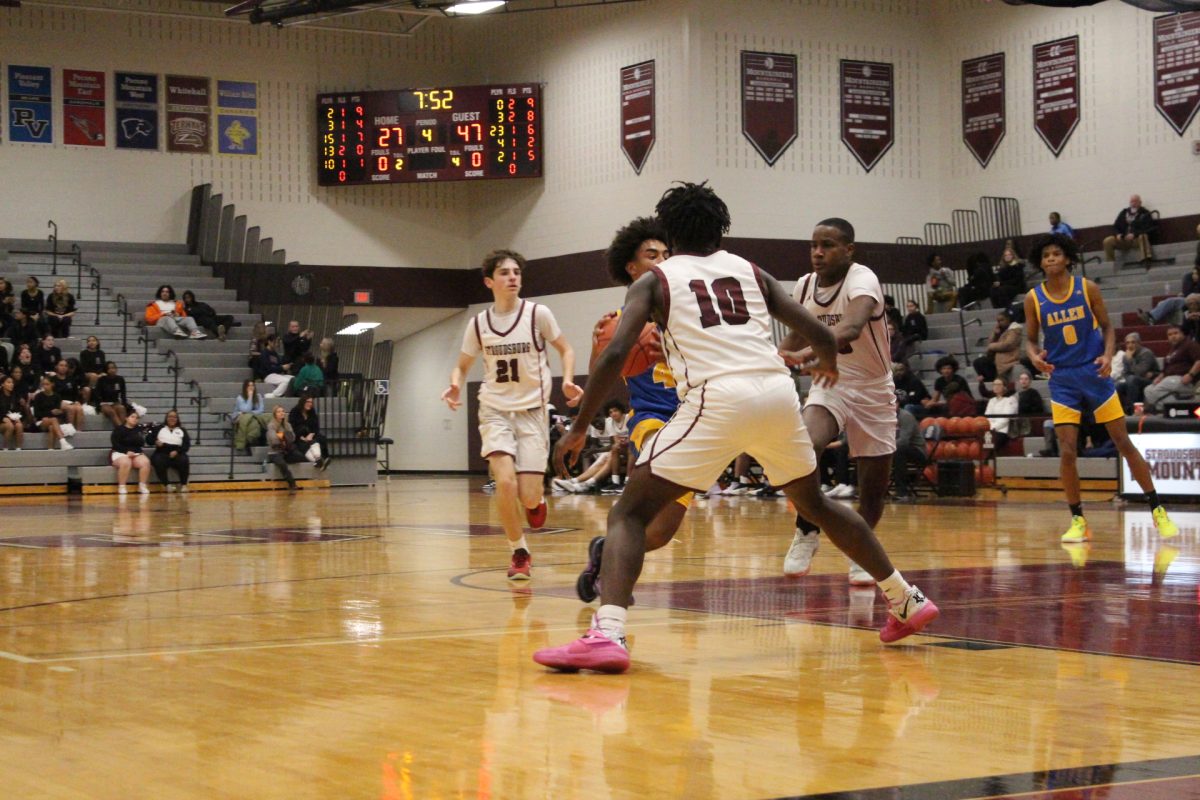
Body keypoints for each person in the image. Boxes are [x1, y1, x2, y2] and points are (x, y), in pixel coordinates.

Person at [534, 183, 937, 673]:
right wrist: (827, 361)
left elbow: (617, 352)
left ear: (669, 230)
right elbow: (817, 331)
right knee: (816, 504)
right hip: (775, 393)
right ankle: (906, 598)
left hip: (716, 398)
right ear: (719, 228)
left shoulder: (656, 280)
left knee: (628, 515)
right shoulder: (750, 270)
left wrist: (578, 428)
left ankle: (608, 633)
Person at [1024, 232, 1178, 543]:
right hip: (1063, 378)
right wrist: (1033, 358)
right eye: (1045, 256)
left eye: (1056, 253)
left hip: (1094, 373)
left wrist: (1108, 355)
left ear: (1067, 258)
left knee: (1123, 441)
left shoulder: (1087, 288)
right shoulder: (1033, 298)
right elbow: (1029, 340)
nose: (1050, 259)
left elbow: (1108, 327)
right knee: (1067, 450)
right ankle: (1078, 519)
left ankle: (1157, 509)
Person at [441, 249, 581, 581]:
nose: (513, 277)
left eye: (516, 272)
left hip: (532, 412)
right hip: (494, 410)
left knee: (528, 493)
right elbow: (462, 366)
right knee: (504, 483)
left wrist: (570, 379)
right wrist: (455, 385)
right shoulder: (478, 324)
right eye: (504, 273)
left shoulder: (538, 314)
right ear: (489, 281)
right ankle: (519, 551)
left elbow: (566, 348)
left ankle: (536, 503)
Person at [780, 217, 900, 586]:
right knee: (807, 446)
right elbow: (794, 338)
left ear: (849, 250)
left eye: (828, 245)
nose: (818, 252)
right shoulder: (804, 287)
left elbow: (849, 328)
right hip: (830, 384)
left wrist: (809, 351)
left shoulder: (863, 280)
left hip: (874, 389)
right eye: (814, 245)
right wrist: (777, 355)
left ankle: (860, 551)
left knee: (873, 488)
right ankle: (806, 529)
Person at [1143, 324, 1200, 411]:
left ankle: (1179, 409)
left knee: (1157, 390)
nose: (1173, 336)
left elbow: (1199, 360)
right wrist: (1159, 377)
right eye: (1170, 335)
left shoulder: (1190, 344)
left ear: (1182, 334)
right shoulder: (1172, 350)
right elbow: (1166, 369)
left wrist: (1190, 375)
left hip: (1183, 379)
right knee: (1148, 390)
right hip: (1169, 380)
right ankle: (1168, 410)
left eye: (1175, 333)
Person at [972, 310, 1027, 392]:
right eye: (998, 321)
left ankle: (995, 383)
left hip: (1009, 360)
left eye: (1002, 320)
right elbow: (990, 344)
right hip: (996, 360)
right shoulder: (1001, 331)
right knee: (978, 362)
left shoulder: (1014, 330)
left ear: (1008, 319)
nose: (999, 323)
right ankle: (991, 383)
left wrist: (991, 346)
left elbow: (1008, 345)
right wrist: (996, 334)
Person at [1102, 194, 1156, 265]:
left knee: (1143, 236)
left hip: (1136, 240)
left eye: (1135, 201)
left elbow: (1149, 228)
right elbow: (1115, 226)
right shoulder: (1124, 212)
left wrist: (1134, 234)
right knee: (1107, 241)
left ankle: (1146, 258)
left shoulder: (1145, 213)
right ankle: (1110, 263)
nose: (1133, 204)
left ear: (1140, 202)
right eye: (1131, 202)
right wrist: (1118, 234)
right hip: (1123, 239)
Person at [1115, 332, 1159, 412]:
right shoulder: (1126, 356)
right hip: (1134, 380)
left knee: (1132, 379)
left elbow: (1140, 372)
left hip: (1151, 380)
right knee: (1118, 386)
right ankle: (1121, 411)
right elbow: (1126, 373)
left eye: (1133, 342)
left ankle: (1133, 410)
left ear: (1139, 343)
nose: (1130, 345)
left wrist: (1130, 359)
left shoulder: (1146, 353)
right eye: (1127, 343)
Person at [266, 404, 306, 491]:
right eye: (279, 412)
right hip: (274, 452)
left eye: (282, 411)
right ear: (275, 414)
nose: (281, 413)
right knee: (282, 464)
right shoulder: (271, 425)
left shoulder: (287, 425)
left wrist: (284, 438)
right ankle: (292, 483)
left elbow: (293, 437)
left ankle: (304, 480)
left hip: (286, 450)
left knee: (300, 456)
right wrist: (284, 436)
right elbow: (274, 440)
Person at [110, 410, 150, 495]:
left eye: (137, 418)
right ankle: (122, 486)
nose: (135, 419)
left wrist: (135, 452)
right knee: (126, 462)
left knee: (145, 462)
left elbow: (141, 443)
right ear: (126, 418)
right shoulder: (119, 429)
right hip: (120, 452)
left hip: (135, 453)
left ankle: (142, 485)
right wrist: (126, 451)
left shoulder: (139, 430)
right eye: (132, 417)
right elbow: (115, 444)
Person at [289, 394, 332, 471]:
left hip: (311, 435)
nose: (310, 404)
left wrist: (311, 434)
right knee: (306, 444)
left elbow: (316, 426)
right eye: (308, 402)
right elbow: (292, 428)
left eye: (311, 402)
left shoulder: (312, 411)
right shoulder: (294, 412)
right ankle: (318, 460)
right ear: (302, 402)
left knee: (321, 439)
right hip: (298, 436)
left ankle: (324, 458)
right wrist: (302, 437)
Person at [151, 409, 191, 491]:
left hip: (176, 452)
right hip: (162, 451)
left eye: (174, 417)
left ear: (177, 419)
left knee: (184, 459)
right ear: (166, 418)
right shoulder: (159, 428)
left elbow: (186, 445)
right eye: (170, 417)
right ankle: (166, 484)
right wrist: (155, 441)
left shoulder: (182, 430)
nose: (172, 419)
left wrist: (177, 451)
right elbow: (149, 439)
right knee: (157, 460)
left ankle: (183, 484)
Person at [890, 405, 925, 501]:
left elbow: (904, 441)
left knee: (899, 451)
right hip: (895, 449)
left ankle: (902, 492)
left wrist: (886, 447)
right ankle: (876, 491)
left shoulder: (905, 416)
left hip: (917, 451)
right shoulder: (885, 417)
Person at [32, 376, 72, 450]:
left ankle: (50, 449)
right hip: (41, 421)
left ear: (52, 384)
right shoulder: (38, 396)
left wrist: (59, 412)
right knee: (53, 420)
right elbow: (36, 414)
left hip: (54, 421)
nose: (45, 386)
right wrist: (50, 413)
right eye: (43, 384)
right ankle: (63, 441)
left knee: (52, 427)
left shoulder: (57, 396)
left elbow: (59, 412)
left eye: (47, 384)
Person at [232, 379, 269, 454]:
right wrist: (250, 397)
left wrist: (250, 413)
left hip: (253, 416)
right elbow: (245, 409)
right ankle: (249, 441)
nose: (251, 387)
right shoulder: (240, 397)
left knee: (269, 416)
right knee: (253, 423)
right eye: (249, 385)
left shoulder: (258, 396)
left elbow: (261, 410)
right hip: (239, 418)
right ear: (245, 387)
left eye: (252, 385)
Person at [50, 359, 86, 431]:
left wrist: (77, 401)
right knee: (71, 408)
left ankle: (79, 431)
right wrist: (59, 402)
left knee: (79, 408)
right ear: (57, 367)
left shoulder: (71, 379)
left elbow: (75, 393)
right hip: (58, 402)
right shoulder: (52, 379)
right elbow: (51, 394)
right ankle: (71, 429)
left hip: (70, 401)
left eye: (65, 366)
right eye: (61, 365)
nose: (63, 367)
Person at [984, 378, 1018, 449]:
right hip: (989, 430)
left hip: (1003, 431)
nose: (996, 386)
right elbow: (987, 417)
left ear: (1004, 387)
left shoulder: (1010, 399)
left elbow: (1005, 419)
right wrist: (989, 428)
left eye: (999, 384)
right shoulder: (991, 401)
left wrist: (992, 428)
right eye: (994, 384)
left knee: (990, 443)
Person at [94, 360, 129, 428]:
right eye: (110, 368)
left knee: (121, 408)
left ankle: (122, 430)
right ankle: (122, 430)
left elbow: (123, 394)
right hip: (104, 403)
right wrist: (98, 406)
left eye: (114, 368)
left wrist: (124, 404)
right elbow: (97, 394)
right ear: (106, 370)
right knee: (111, 411)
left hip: (115, 402)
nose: (112, 370)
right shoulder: (102, 379)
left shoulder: (120, 379)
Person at [990, 246, 1026, 310]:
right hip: (1005, 285)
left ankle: (1006, 308)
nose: (1007, 256)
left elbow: (1016, 280)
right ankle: (997, 308)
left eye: (1009, 255)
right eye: (1006, 255)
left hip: (1016, 286)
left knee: (1002, 290)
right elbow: (1000, 278)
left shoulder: (1017, 266)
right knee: (993, 289)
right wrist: (998, 283)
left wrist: (1001, 283)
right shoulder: (1003, 267)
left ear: (1013, 256)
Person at [0, 375, 27, 450]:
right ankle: (5, 449)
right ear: (2, 384)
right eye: (8, 382)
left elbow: (19, 411)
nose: (11, 384)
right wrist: (3, 418)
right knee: (10, 426)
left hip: (12, 420)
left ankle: (18, 449)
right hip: (1, 422)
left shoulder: (15, 396)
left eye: (12, 382)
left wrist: (17, 417)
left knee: (19, 425)